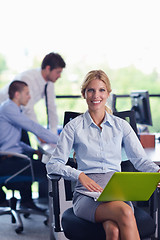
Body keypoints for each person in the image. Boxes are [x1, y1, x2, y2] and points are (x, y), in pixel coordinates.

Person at [46, 70, 160, 240]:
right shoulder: (74, 127)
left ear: (108, 93)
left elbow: (140, 159)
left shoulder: (121, 125)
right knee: (125, 212)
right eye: (90, 90)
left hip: (117, 193)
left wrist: (155, 173)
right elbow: (53, 164)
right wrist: (80, 175)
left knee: (113, 231)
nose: (96, 95)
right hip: (87, 194)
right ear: (84, 94)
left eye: (101, 90)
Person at [0, 80, 58, 211]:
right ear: (17, 94)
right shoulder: (9, 108)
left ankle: (27, 202)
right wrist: (61, 140)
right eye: (26, 93)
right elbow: (33, 127)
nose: (29, 96)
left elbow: (13, 142)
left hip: (12, 157)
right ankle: (55, 216)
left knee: (37, 160)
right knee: (50, 170)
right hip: (8, 162)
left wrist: (32, 150)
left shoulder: (11, 108)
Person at [0, 52, 66, 134]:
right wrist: (41, 134)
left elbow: (51, 108)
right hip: (4, 115)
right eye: (58, 72)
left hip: (17, 115)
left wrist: (53, 133)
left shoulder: (49, 83)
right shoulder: (27, 79)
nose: (60, 76)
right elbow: (28, 110)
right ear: (48, 68)